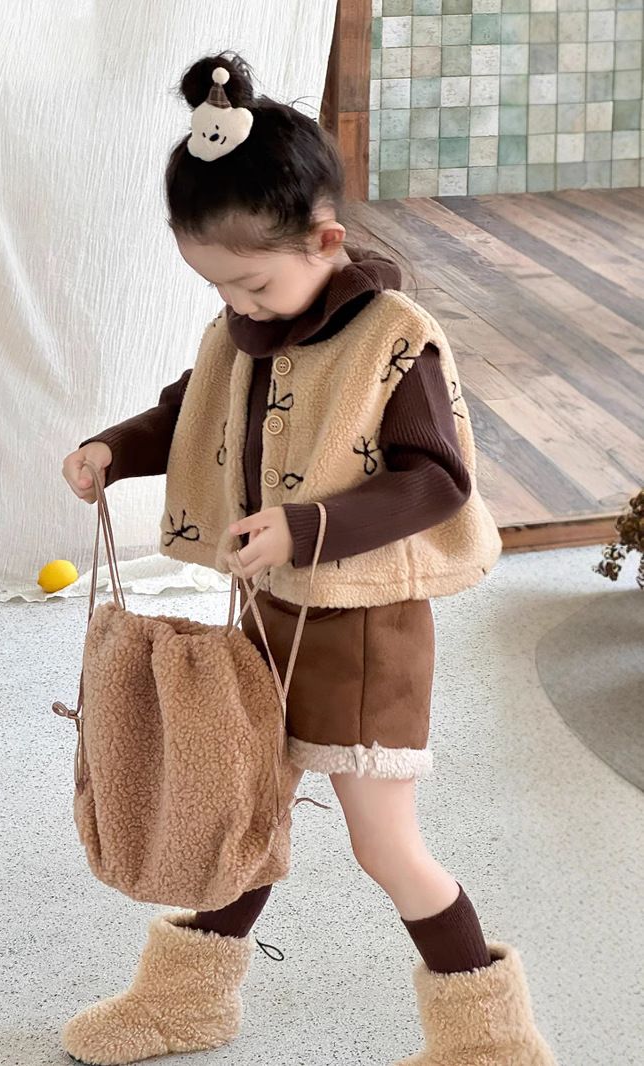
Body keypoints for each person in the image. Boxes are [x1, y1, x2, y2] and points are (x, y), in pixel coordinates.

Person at [57, 53, 557, 1066]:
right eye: (216, 285)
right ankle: (188, 1002)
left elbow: (436, 480)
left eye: (251, 281)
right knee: (241, 808)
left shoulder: (394, 341)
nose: (237, 304)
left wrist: (304, 527)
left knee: (386, 846)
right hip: (269, 617)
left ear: (325, 241)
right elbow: (188, 412)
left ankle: (491, 1042)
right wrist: (111, 449)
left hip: (364, 635)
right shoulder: (248, 328)